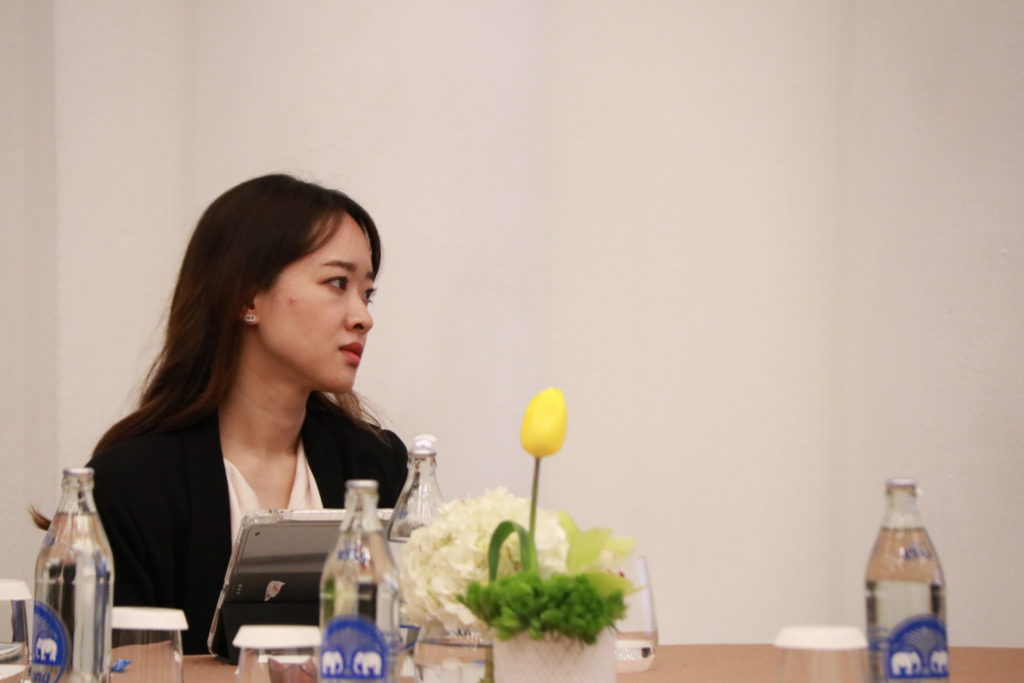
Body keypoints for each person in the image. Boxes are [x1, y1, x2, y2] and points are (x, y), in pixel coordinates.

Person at [81, 174, 408, 654]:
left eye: (367, 292)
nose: (363, 317)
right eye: (338, 283)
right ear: (248, 297)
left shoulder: (376, 464)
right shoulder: (131, 483)